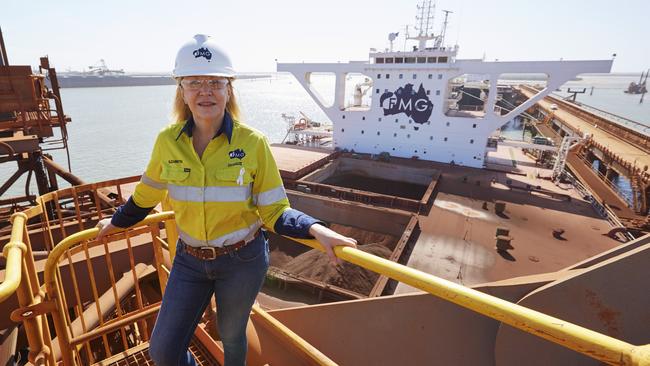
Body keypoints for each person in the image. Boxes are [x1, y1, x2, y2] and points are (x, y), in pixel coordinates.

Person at [96, 34, 357, 366]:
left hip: (242, 260)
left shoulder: (254, 144)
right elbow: (145, 197)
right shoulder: (166, 142)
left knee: (232, 335)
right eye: (194, 82)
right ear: (182, 92)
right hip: (189, 261)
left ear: (228, 90)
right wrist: (116, 221)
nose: (205, 90)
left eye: (215, 82)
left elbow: (275, 209)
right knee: (162, 351)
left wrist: (316, 229)